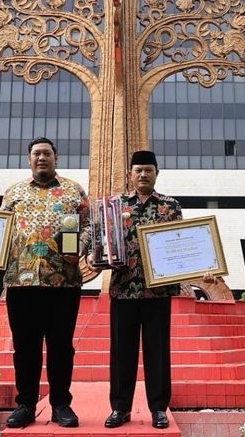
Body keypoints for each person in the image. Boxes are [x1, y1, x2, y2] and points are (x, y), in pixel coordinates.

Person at [0, 137, 89, 428]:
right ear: (29, 159)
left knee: (62, 347)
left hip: (63, 282)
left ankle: (61, 404)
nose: (41, 158)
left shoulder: (74, 190)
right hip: (20, 282)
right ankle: (25, 404)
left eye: (47, 153)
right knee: (25, 347)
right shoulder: (14, 193)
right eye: (36, 154)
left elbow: (87, 228)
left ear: (55, 158)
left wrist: (81, 247)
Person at [87, 150, 184, 430]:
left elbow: (181, 243)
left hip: (158, 291)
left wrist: (196, 266)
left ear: (157, 173)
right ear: (130, 174)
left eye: (149, 170)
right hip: (123, 290)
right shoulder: (114, 206)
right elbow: (100, 240)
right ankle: (120, 408)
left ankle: (158, 409)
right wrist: (97, 256)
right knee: (122, 353)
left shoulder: (170, 207)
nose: (143, 175)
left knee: (158, 351)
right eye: (138, 170)